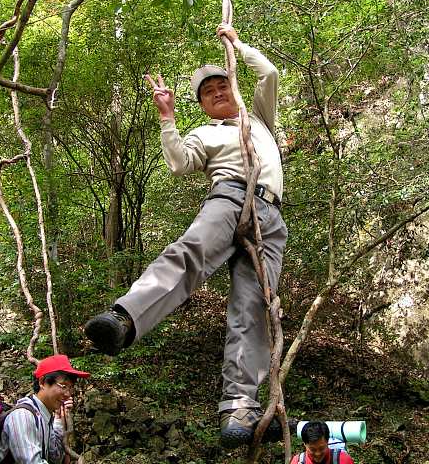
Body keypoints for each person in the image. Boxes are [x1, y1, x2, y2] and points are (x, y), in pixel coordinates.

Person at [84, 23, 287, 448]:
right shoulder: (204, 134)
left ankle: (239, 406)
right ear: (203, 105)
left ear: (233, 85)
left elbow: (268, 72)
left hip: (270, 216)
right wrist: (167, 117)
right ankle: (125, 318)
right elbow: (179, 163)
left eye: (222, 84)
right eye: (207, 91)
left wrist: (237, 44)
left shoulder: (259, 118)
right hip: (228, 197)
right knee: (190, 252)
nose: (216, 92)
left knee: (252, 308)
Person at [0, 354, 90, 464]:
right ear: (43, 382)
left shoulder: (44, 415)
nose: (68, 394)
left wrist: (58, 419)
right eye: (63, 386)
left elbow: (55, 457)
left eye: (70, 387)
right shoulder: (23, 416)